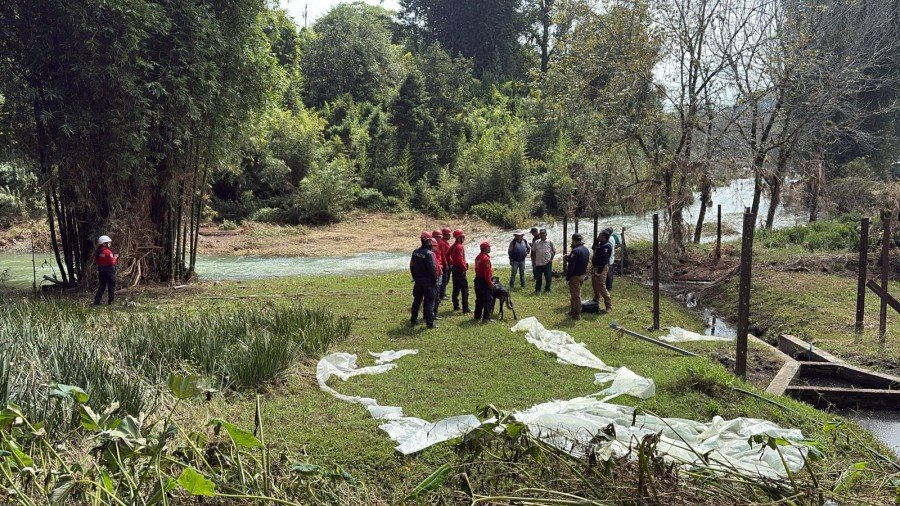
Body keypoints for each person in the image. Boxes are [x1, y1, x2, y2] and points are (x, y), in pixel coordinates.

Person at [410, 231, 439, 328]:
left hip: (418, 281)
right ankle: (430, 323)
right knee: (429, 302)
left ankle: (413, 320)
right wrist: (435, 281)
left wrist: (415, 277)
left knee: (416, 301)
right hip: (428, 283)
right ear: (429, 241)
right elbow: (432, 269)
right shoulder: (429, 254)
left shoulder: (415, 252)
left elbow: (411, 266)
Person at [564, 234, 590, 319]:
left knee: (576, 296)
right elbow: (580, 260)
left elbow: (571, 266)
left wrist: (568, 277)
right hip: (582, 275)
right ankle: (572, 311)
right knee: (574, 294)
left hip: (575, 276)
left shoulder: (575, 251)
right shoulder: (585, 249)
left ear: (573, 240)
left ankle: (577, 314)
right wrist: (569, 258)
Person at [448, 229, 471, 313]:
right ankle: (465, 308)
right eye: (463, 237)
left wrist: (452, 262)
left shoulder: (453, 246)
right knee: (464, 289)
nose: (464, 238)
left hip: (454, 268)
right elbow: (460, 259)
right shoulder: (460, 246)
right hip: (459, 269)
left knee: (456, 287)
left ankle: (456, 306)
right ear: (459, 237)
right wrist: (464, 268)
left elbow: (447, 255)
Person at [590, 230, 613, 312]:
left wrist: (599, 272)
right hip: (596, 266)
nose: (598, 237)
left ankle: (608, 306)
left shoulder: (607, 246)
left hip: (601, 268)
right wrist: (597, 240)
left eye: (600, 235)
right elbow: (593, 247)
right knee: (594, 284)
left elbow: (603, 260)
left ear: (604, 237)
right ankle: (596, 301)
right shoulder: (600, 244)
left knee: (601, 285)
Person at [94, 235, 119, 305]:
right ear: (104, 244)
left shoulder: (98, 252)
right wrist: (115, 257)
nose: (110, 244)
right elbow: (112, 262)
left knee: (102, 285)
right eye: (109, 242)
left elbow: (97, 261)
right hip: (109, 270)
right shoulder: (108, 252)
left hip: (101, 270)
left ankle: (97, 300)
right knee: (111, 286)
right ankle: (111, 301)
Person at [473, 241, 494, 322]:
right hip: (484, 281)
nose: (490, 248)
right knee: (488, 300)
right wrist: (490, 283)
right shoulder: (486, 259)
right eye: (489, 247)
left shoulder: (478, 257)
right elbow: (487, 273)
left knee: (479, 299)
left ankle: (477, 315)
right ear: (485, 249)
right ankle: (486, 318)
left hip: (478, 279)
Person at [532, 229, 556, 293]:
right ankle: (538, 290)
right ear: (539, 234)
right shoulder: (536, 242)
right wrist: (533, 261)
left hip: (547, 263)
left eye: (543, 233)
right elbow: (533, 252)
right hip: (538, 263)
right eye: (541, 233)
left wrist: (551, 259)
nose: (542, 235)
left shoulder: (550, 242)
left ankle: (547, 289)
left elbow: (554, 251)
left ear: (546, 234)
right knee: (538, 278)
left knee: (548, 277)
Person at [430, 236, 443, 320]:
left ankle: (429, 315)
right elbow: (436, 266)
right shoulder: (431, 255)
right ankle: (433, 315)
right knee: (434, 297)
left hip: (429, 278)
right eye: (434, 246)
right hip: (434, 278)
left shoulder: (430, 254)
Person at [604, 227, 621, 292]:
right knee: (609, 274)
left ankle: (608, 289)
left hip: (609, 260)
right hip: (610, 259)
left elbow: (608, 252)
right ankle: (608, 288)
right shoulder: (612, 238)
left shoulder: (609, 239)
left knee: (609, 275)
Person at [439, 227, 452, 299]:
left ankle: (442, 293)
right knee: (444, 279)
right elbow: (443, 255)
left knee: (446, 279)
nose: (450, 236)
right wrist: (446, 264)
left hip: (448, 263)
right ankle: (442, 294)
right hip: (445, 264)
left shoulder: (445, 242)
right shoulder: (442, 243)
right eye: (448, 234)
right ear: (444, 235)